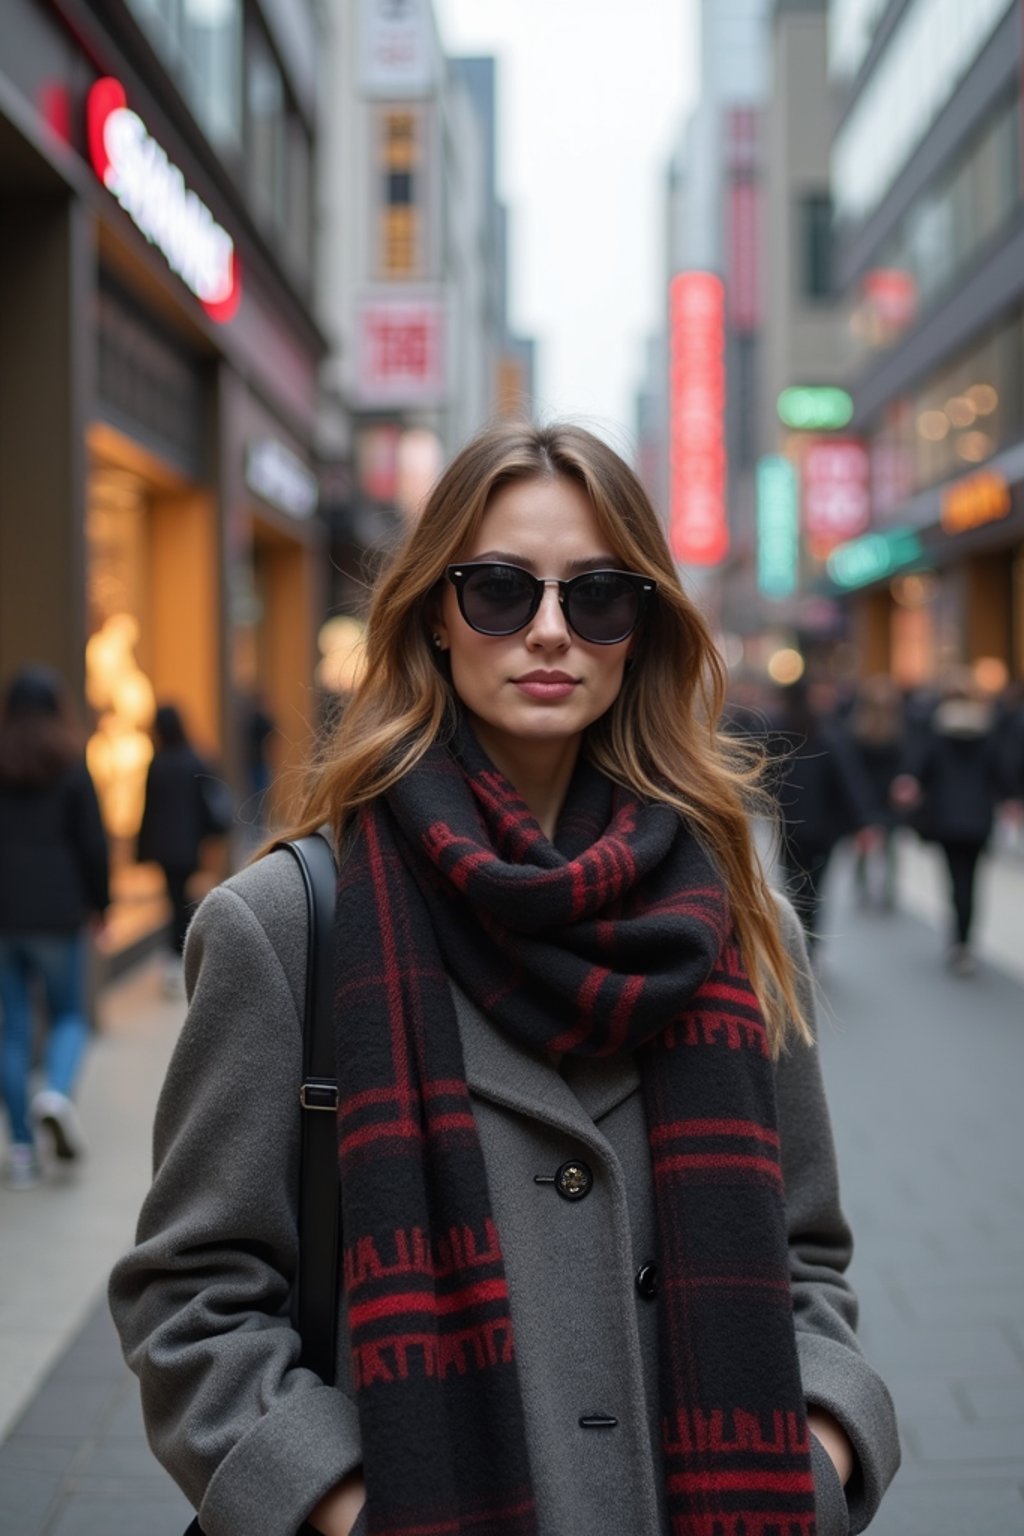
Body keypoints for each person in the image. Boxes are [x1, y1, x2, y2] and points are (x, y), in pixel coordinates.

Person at [109, 423, 899, 1536]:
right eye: (496, 590)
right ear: (435, 611)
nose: (547, 631)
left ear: (642, 629)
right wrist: (344, 1505)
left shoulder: (735, 922)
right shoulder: (289, 924)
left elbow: (803, 1253)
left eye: (596, 598)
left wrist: (818, 1446)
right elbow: (191, 1295)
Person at [0, 664, 109, 1189]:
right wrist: (102, 904)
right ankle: (56, 1094)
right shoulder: (70, 761)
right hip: (60, 911)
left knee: (13, 1028)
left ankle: (22, 1149)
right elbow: (93, 841)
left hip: (6, 915)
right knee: (69, 1014)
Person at [891, 669, 1007, 975]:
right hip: (980, 816)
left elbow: (919, 770)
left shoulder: (936, 730)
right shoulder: (989, 730)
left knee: (954, 879)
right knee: (973, 880)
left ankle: (958, 941)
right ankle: (966, 940)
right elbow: (1002, 774)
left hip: (946, 816)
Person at [768, 679, 875, 956]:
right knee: (814, 889)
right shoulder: (831, 735)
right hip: (822, 828)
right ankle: (808, 947)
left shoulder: (781, 732)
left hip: (789, 823)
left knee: (794, 885)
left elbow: (766, 777)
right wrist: (862, 822)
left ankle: (798, 943)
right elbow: (849, 781)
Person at [138, 704, 231, 996]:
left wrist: (143, 848)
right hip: (190, 845)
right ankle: (183, 957)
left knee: (174, 901)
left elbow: (149, 810)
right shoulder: (195, 760)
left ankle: (176, 959)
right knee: (186, 902)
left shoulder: (159, 762)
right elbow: (208, 806)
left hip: (165, 847)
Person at [847, 675, 905, 911]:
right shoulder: (887, 727)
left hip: (873, 793)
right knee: (879, 844)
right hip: (878, 793)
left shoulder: (861, 726)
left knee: (876, 843)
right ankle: (879, 889)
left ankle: (872, 888)